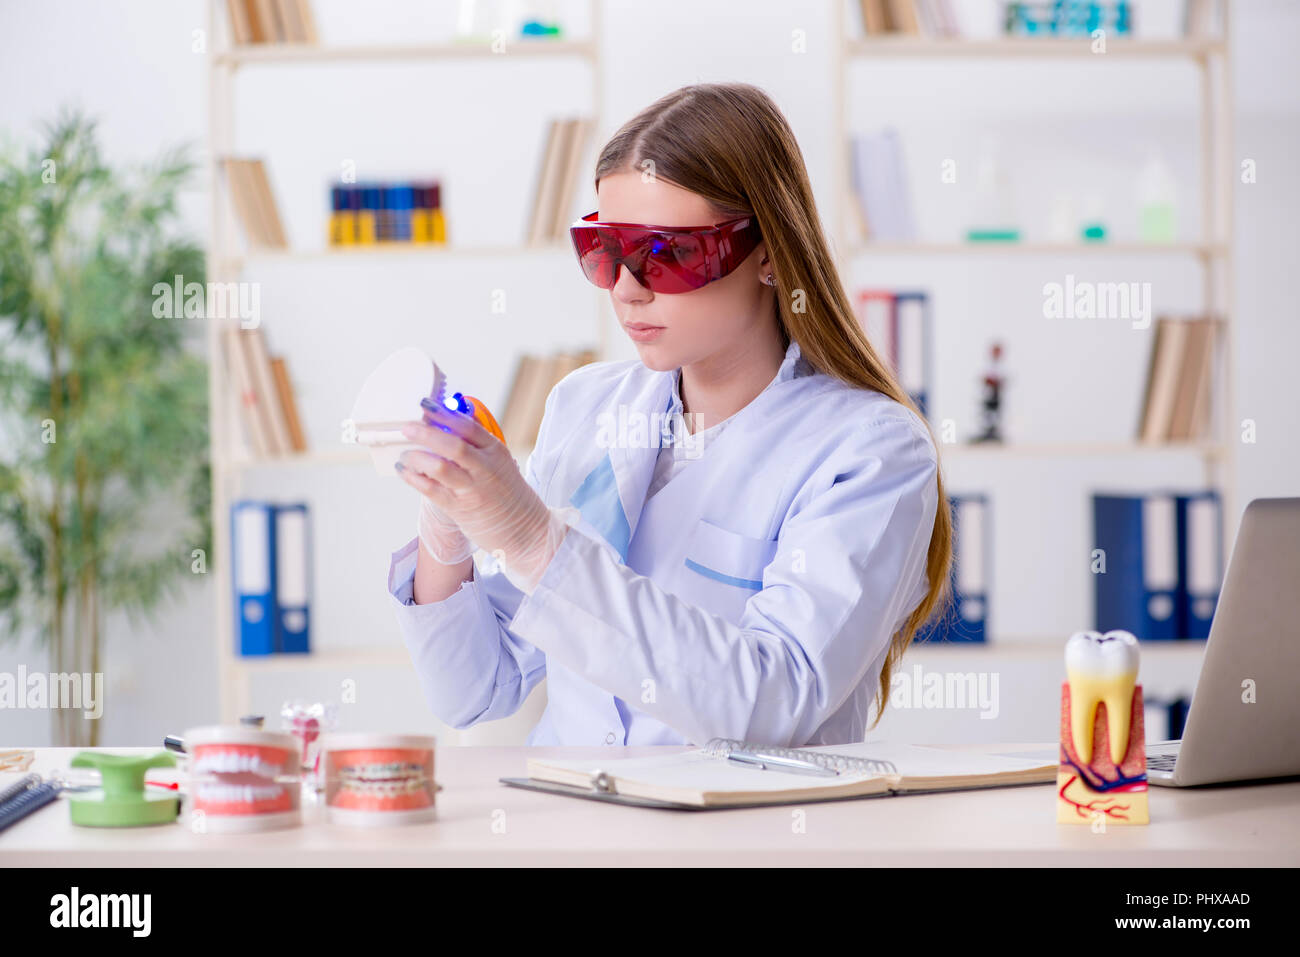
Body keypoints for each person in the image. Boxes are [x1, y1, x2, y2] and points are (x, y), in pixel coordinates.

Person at [387, 82, 953, 748]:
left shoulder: (870, 451)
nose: (626, 288)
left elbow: (776, 701)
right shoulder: (584, 406)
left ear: (768, 252)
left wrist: (537, 545)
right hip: (573, 828)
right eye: (606, 250)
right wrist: (447, 532)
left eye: (667, 252)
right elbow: (475, 689)